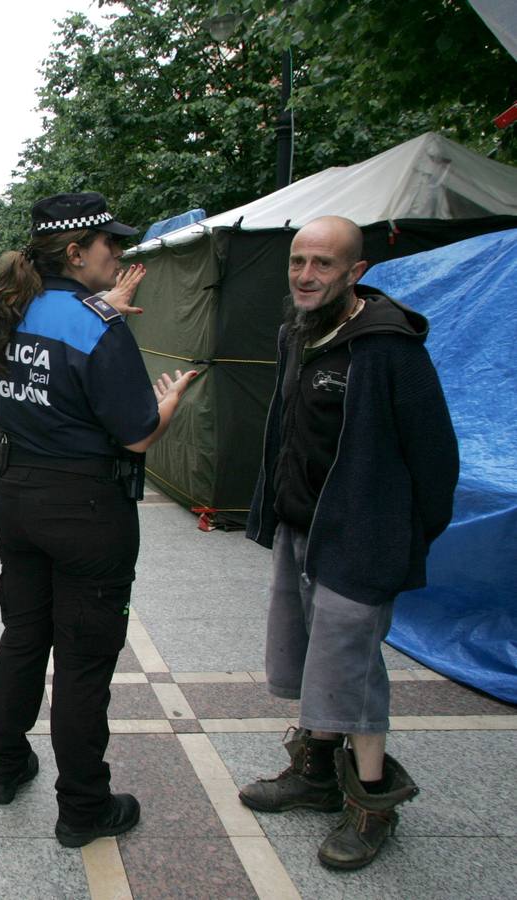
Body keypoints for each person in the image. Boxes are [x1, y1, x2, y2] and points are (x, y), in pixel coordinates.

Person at [240, 216, 458, 871]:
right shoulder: (295, 334)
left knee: (353, 671)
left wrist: (398, 536)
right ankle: (313, 777)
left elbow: (434, 456)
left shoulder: (388, 347)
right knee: (310, 659)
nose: (305, 276)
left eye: (323, 264)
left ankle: (371, 803)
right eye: (297, 262)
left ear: (354, 272)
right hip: (301, 527)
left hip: (361, 540)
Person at [0, 191, 195, 849]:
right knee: (80, 664)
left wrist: (103, 312)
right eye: (112, 245)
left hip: (14, 497)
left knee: (22, 637)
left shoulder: (14, 312)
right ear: (75, 252)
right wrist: (172, 402)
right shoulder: (99, 327)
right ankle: (82, 809)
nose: (120, 256)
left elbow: (49, 369)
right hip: (85, 511)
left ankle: (4, 767)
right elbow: (134, 436)